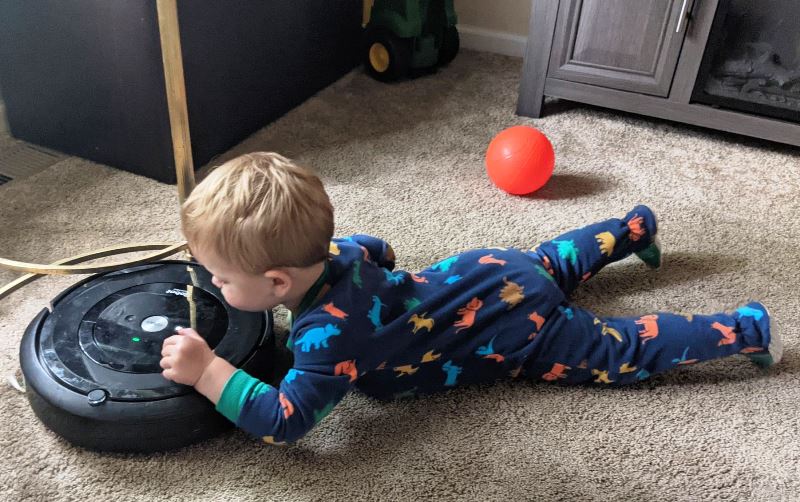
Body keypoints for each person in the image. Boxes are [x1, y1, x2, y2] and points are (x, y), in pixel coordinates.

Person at [159, 152, 783, 445]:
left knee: (619, 351)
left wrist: (209, 371)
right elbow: (380, 250)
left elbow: (285, 420)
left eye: (222, 278)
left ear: (277, 283)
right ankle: (633, 228)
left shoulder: (327, 340)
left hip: (512, 330)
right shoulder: (337, 250)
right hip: (481, 270)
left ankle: (746, 328)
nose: (215, 287)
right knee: (553, 260)